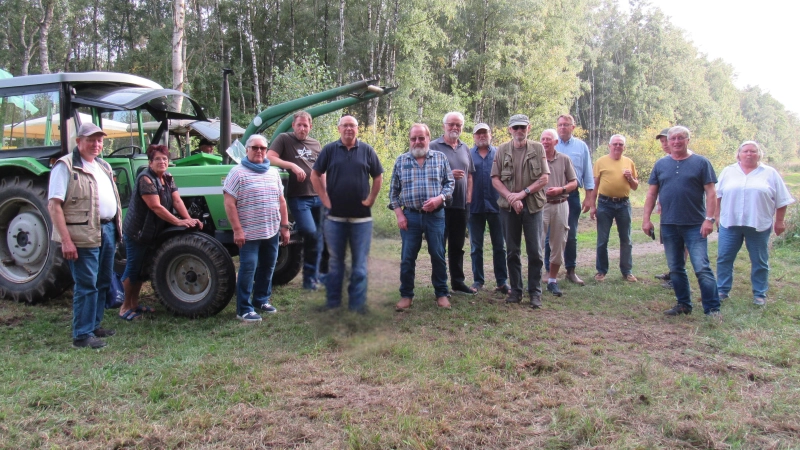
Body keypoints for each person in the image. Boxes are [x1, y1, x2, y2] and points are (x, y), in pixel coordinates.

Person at [48, 123, 122, 348]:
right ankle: (81, 334)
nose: (96, 144)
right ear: (79, 141)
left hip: (107, 229)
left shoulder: (103, 165)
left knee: (102, 281)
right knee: (86, 283)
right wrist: (67, 240)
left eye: (100, 140)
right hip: (83, 233)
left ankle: (94, 325)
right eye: (91, 140)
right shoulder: (65, 166)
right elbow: (54, 205)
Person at [642, 126, 721, 318]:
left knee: (701, 267)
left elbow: (711, 192)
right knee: (676, 268)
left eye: (680, 138)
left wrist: (709, 219)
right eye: (672, 139)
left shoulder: (701, 162)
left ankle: (712, 309)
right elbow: (652, 193)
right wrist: (646, 219)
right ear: (668, 142)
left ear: (688, 140)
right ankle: (683, 304)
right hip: (669, 224)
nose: (676, 142)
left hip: (695, 224)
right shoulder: (661, 164)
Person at [119, 144, 203, 321]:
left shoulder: (168, 177)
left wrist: (189, 219)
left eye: (165, 159)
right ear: (150, 162)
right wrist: (178, 221)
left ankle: (135, 304)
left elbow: (177, 201)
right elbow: (155, 207)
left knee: (142, 271)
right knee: (133, 268)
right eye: (157, 159)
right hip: (138, 232)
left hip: (152, 232)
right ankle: (125, 306)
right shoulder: (146, 180)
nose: (162, 162)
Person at [311, 115, 383, 313]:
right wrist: (324, 198)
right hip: (335, 219)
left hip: (362, 219)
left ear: (358, 129)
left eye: (352, 125)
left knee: (360, 265)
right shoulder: (329, 150)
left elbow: (378, 176)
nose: (349, 129)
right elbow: (315, 174)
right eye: (345, 125)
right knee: (336, 264)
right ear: (339, 129)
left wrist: (372, 199)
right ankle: (333, 303)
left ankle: (357, 306)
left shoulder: (367, 150)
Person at [715, 141, 795, 306]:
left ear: (759, 154)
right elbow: (717, 195)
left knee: (759, 260)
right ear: (739, 154)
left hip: (758, 224)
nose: (749, 154)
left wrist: (779, 221)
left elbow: (782, 200)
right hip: (730, 223)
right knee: (724, 258)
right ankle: (722, 290)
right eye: (745, 151)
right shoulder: (728, 171)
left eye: (753, 151)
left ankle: (759, 294)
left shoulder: (770, 173)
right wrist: (716, 216)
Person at [223, 135, 291, 322]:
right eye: (255, 147)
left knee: (268, 266)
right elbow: (229, 203)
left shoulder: (273, 172)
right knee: (248, 268)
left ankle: (261, 299)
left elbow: (281, 201)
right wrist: (237, 229)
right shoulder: (237, 173)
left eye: (262, 147)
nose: (259, 151)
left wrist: (284, 227)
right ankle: (243, 309)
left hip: (271, 230)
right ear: (247, 150)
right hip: (249, 234)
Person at [389, 123, 455, 310]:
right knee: (408, 257)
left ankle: (441, 293)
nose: (417, 142)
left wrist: (439, 198)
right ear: (409, 140)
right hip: (410, 217)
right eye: (413, 138)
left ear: (428, 138)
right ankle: (406, 295)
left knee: (438, 255)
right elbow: (393, 193)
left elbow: (450, 184)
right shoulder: (401, 161)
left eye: (421, 138)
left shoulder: (440, 158)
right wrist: (400, 214)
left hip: (435, 216)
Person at [491, 114, 550, 308]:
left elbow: (544, 178)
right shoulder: (501, 150)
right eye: (515, 127)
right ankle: (516, 291)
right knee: (512, 251)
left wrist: (522, 194)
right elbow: (495, 179)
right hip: (508, 208)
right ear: (509, 129)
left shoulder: (538, 148)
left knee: (535, 252)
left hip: (533, 206)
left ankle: (535, 293)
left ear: (528, 128)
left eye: (522, 128)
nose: (519, 131)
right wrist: (510, 197)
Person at [266, 111, 325, 290]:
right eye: (299, 125)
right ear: (293, 125)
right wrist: (292, 165)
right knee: (310, 232)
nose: (302, 128)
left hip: (318, 197)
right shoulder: (284, 139)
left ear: (310, 126)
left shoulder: (316, 144)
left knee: (319, 238)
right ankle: (297, 228)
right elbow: (269, 157)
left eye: (305, 125)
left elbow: (321, 170)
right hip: (298, 197)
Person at [429, 112, 476, 295]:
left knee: (457, 246)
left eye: (458, 125)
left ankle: (458, 282)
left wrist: (469, 198)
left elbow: (470, 175)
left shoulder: (465, 148)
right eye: (451, 124)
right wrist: (448, 174)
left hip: (461, 205)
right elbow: (427, 173)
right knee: (439, 246)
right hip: (440, 205)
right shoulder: (433, 146)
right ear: (444, 126)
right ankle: (440, 285)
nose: (455, 128)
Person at [588, 134, 639, 283]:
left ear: (624, 147)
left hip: (624, 204)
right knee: (602, 240)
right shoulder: (601, 162)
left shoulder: (629, 162)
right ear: (609, 146)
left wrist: (630, 178)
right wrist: (592, 206)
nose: (618, 146)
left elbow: (635, 187)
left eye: (620, 144)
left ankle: (627, 271)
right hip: (605, 204)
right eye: (615, 144)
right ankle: (601, 271)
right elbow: (595, 186)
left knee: (626, 239)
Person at [553, 114, 595, 286]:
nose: (562, 127)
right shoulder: (550, 144)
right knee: (551, 235)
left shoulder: (581, 146)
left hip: (572, 196)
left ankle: (570, 270)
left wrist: (589, 198)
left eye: (566, 125)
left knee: (571, 235)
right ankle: (549, 271)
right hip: (551, 196)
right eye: (560, 125)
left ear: (573, 127)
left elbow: (587, 173)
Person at [467, 123, 509, 294]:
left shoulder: (500, 153)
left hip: (497, 206)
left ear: (491, 134)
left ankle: (502, 281)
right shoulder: (468, 154)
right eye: (478, 133)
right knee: (476, 246)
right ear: (474, 136)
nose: (482, 136)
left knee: (500, 246)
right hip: (474, 207)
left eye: (485, 133)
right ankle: (478, 281)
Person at [540, 129, 577, 297]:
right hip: (540, 206)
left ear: (556, 142)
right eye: (543, 139)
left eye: (549, 139)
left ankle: (553, 281)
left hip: (561, 204)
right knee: (536, 244)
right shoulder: (535, 159)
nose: (545, 142)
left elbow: (574, 182)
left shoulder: (564, 159)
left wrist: (561, 189)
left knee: (558, 243)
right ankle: (535, 281)